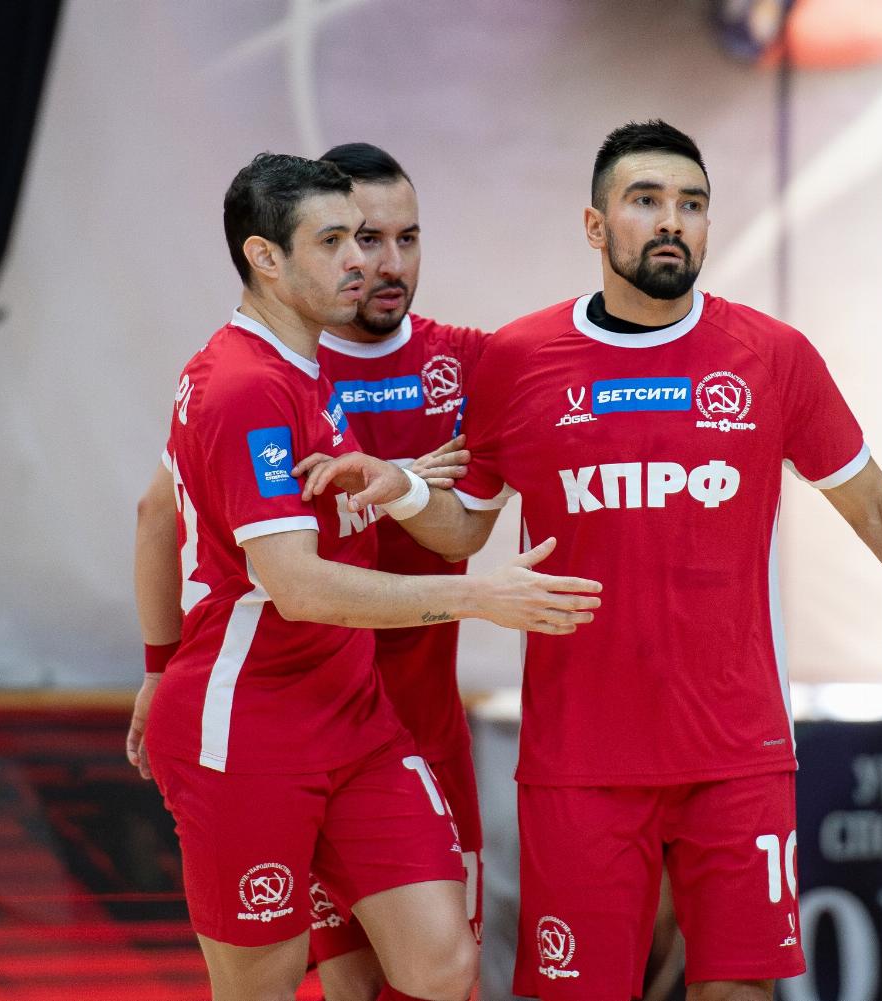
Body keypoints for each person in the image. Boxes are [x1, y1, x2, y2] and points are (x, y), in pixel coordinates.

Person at [301, 120, 882, 1001]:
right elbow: (464, 534)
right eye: (645, 200)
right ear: (595, 224)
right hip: (579, 760)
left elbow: (870, 501)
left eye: (691, 204)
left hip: (737, 752)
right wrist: (403, 489)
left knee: (741, 990)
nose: (670, 221)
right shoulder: (520, 360)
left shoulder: (772, 356)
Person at [125, 152, 602, 1001]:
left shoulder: (306, 369)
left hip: (355, 719)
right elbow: (298, 585)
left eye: (382, 237)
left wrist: (400, 484)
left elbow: (158, 511)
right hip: (252, 728)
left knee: (443, 961)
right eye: (337, 241)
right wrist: (480, 595)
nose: (364, 261)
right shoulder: (245, 386)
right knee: (265, 986)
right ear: (266, 258)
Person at [302, 141, 490, 1001]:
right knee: (348, 986)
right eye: (366, 240)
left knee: (444, 982)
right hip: (313, 738)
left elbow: (458, 540)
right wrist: (160, 668)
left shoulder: (468, 362)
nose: (390, 264)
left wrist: (395, 485)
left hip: (429, 732)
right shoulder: (278, 370)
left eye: (407, 239)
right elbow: (162, 512)